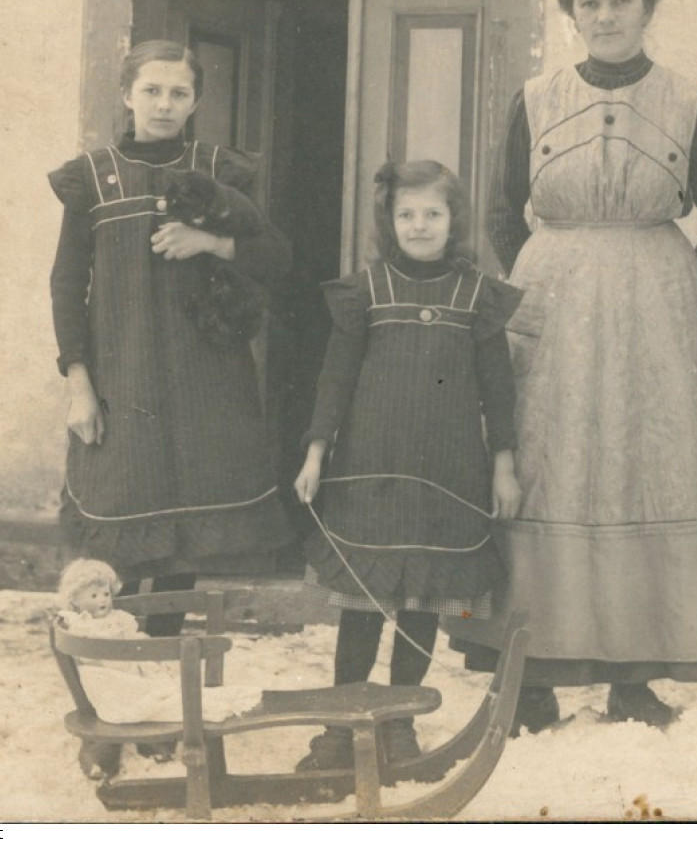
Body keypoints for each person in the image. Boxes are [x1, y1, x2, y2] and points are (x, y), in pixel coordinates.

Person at [456, 0, 697, 732]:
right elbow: (499, 212)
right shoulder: (533, 98)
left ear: (648, 7)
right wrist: (547, 282)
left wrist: (669, 295)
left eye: (620, 1)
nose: (604, 16)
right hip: (550, 305)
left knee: (642, 468)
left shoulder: (690, 100)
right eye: (588, 3)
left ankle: (635, 674)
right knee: (547, 469)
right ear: (570, 13)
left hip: (656, 310)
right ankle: (532, 672)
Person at [48, 41, 295, 637]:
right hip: (123, 379)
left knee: (184, 544)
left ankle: (159, 674)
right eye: (152, 90)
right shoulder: (93, 179)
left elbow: (277, 257)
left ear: (196, 101)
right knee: (122, 534)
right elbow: (65, 285)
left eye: (178, 93)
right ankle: (117, 673)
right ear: (127, 95)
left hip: (203, 381)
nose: (164, 104)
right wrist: (78, 384)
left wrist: (210, 242)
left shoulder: (217, 172)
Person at [292, 160, 522, 773]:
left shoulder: (477, 296)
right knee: (363, 600)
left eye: (433, 214)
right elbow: (335, 379)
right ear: (388, 222)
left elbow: (498, 390)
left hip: (448, 471)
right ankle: (340, 729)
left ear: (455, 221)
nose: (420, 226)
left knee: (422, 597)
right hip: (370, 468)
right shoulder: (366, 290)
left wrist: (503, 465)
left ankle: (398, 725)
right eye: (407, 214)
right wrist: (316, 452)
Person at [56, 558, 262, 780]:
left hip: (130, 667)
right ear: (75, 601)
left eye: (106, 594)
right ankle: (107, 744)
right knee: (137, 694)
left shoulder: (119, 619)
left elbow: (130, 636)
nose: (103, 601)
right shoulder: (81, 621)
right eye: (94, 596)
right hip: (108, 674)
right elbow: (71, 629)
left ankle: (154, 738)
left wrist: (140, 644)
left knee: (157, 687)